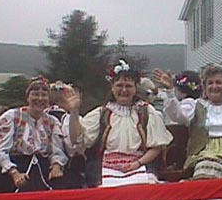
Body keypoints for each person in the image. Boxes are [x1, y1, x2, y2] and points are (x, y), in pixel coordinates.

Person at [64, 59, 173, 187]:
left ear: (136, 88)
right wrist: (74, 111)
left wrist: (137, 164)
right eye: (120, 85)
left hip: (140, 164)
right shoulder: (101, 113)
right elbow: (76, 139)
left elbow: (156, 148)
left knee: (146, 188)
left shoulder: (147, 112)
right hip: (104, 167)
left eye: (128, 86)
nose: (124, 90)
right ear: (112, 87)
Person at [153, 63, 222, 180]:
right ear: (204, 86)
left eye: (218, 82)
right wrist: (170, 91)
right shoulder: (196, 105)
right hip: (202, 155)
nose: (214, 86)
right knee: (206, 170)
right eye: (210, 83)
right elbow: (177, 116)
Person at [0, 75, 68, 193]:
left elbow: (57, 151)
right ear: (28, 97)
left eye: (44, 95)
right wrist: (14, 173)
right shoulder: (12, 117)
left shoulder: (52, 122)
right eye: (35, 94)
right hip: (12, 172)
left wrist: (56, 166)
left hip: (41, 171)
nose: (40, 98)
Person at [46, 81, 86, 189]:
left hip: (38, 173)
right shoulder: (70, 119)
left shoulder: (38, 117)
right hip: (67, 175)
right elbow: (75, 144)